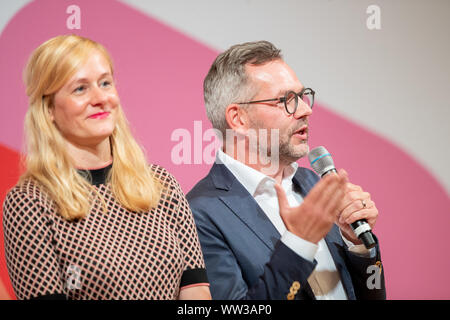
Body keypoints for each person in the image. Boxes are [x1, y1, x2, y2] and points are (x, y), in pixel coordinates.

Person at [2, 35, 211, 300]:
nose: (100, 98)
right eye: (80, 88)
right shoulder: (29, 202)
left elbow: (196, 294)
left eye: (105, 83)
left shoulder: (161, 183)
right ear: (49, 109)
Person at [187, 41, 386, 300]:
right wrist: (298, 244)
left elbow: (369, 293)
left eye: (303, 96)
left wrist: (357, 246)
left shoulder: (314, 183)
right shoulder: (198, 213)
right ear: (238, 119)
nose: (306, 110)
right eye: (286, 100)